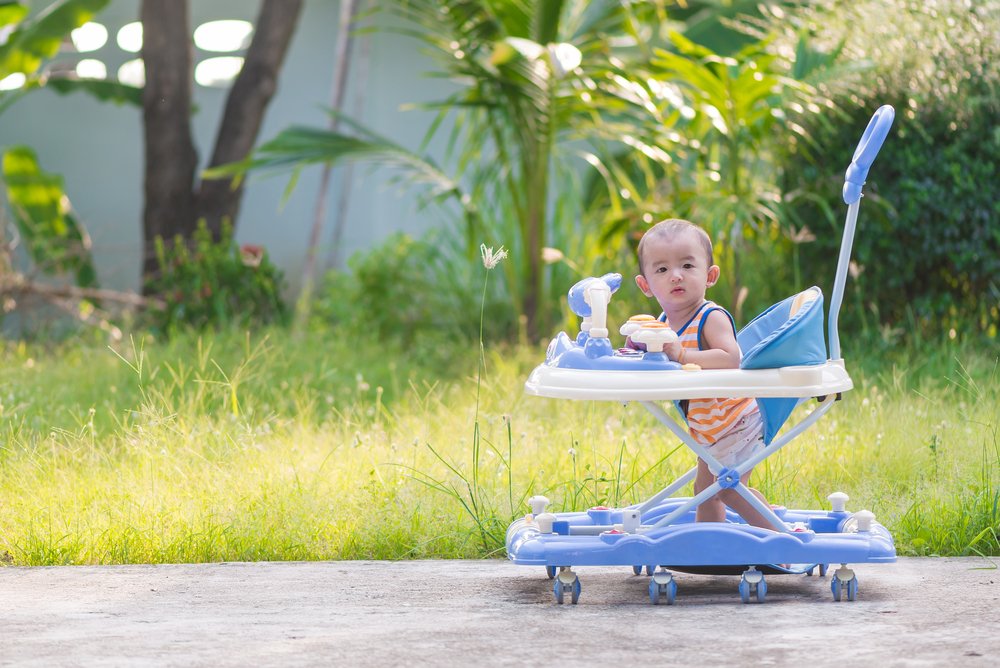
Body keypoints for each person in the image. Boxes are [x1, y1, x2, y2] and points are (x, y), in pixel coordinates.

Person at [631, 218, 776, 529]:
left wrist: (683, 355)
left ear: (710, 275)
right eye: (661, 269)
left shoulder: (710, 316)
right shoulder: (660, 325)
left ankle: (785, 541)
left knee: (727, 490)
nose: (676, 275)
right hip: (710, 429)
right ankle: (711, 543)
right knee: (703, 492)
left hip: (738, 423)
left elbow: (730, 357)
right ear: (645, 285)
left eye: (687, 265)